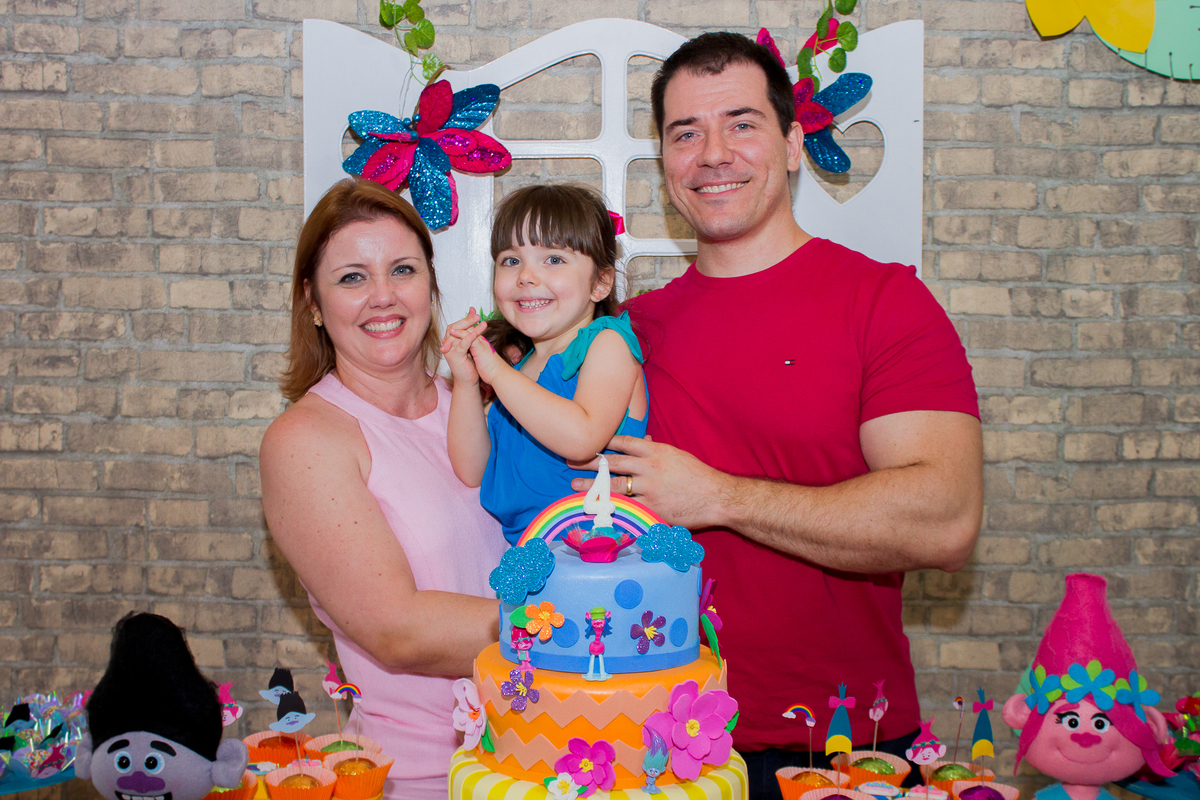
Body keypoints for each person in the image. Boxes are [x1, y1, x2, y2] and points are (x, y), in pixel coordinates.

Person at [572, 32, 984, 798]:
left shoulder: (884, 303)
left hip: (842, 745)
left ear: (793, 144)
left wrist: (720, 497)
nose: (713, 153)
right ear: (665, 162)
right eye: (685, 133)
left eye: (742, 123)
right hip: (651, 744)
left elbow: (946, 518)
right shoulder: (627, 334)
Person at [259, 178, 507, 800]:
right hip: (426, 778)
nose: (383, 297)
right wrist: (588, 625)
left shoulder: (480, 404)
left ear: (431, 283)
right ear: (312, 302)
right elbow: (397, 629)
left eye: (402, 269)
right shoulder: (307, 441)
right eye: (351, 278)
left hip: (547, 758)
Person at [441, 184, 648, 544]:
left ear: (600, 283)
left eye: (553, 259)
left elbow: (582, 438)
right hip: (530, 555)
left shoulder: (607, 343)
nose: (526, 276)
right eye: (511, 260)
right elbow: (473, 470)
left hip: (599, 554)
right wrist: (466, 382)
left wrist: (495, 371)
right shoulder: (520, 368)